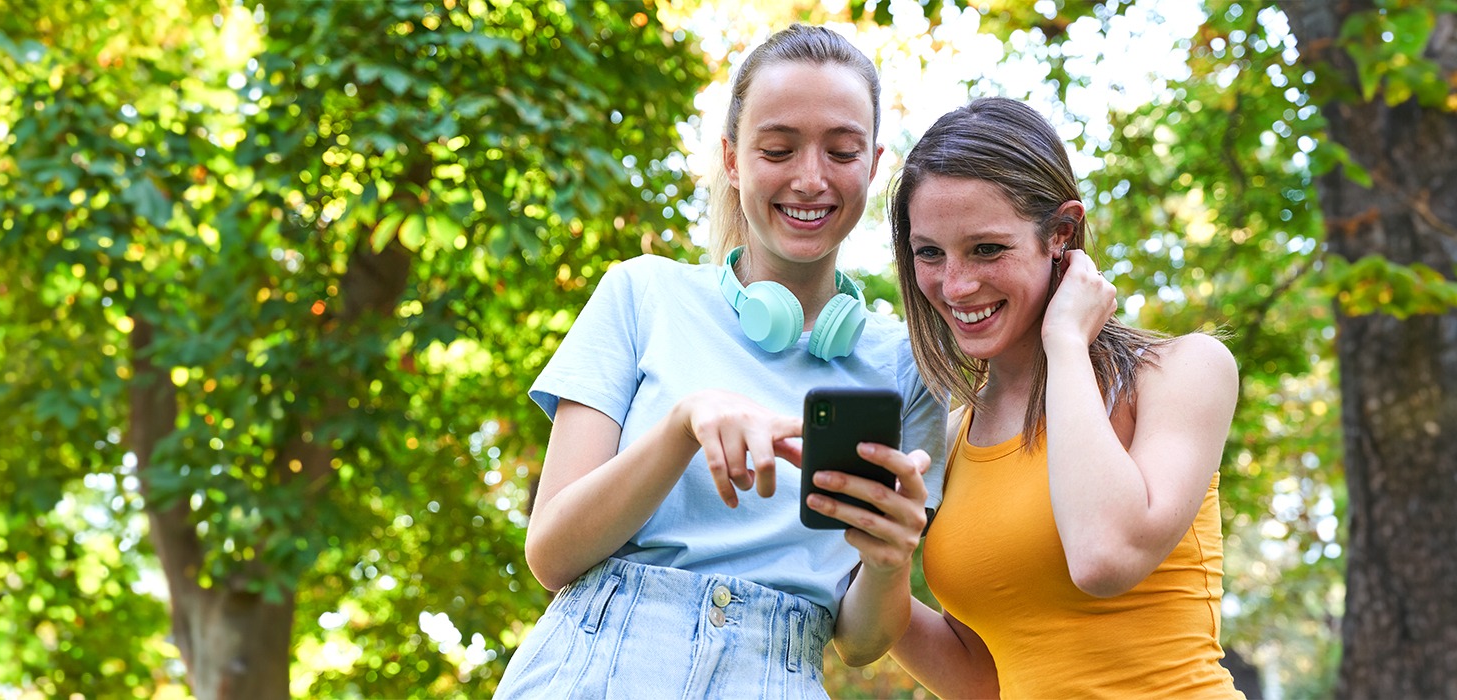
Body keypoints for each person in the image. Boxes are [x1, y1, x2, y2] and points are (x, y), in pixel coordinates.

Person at [493, 25, 947, 698]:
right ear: (733, 161)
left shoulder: (908, 366)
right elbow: (551, 553)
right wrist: (681, 427)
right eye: (778, 148)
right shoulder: (642, 293)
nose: (810, 177)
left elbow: (859, 642)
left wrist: (889, 561)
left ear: (873, 164)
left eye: (841, 150)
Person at [878, 97, 1242, 697]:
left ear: (1062, 233)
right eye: (930, 253)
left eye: (987, 248)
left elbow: (1105, 556)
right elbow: (984, 680)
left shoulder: (1181, 372)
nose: (956, 284)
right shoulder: (950, 439)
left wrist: (1068, 343)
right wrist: (862, 557)